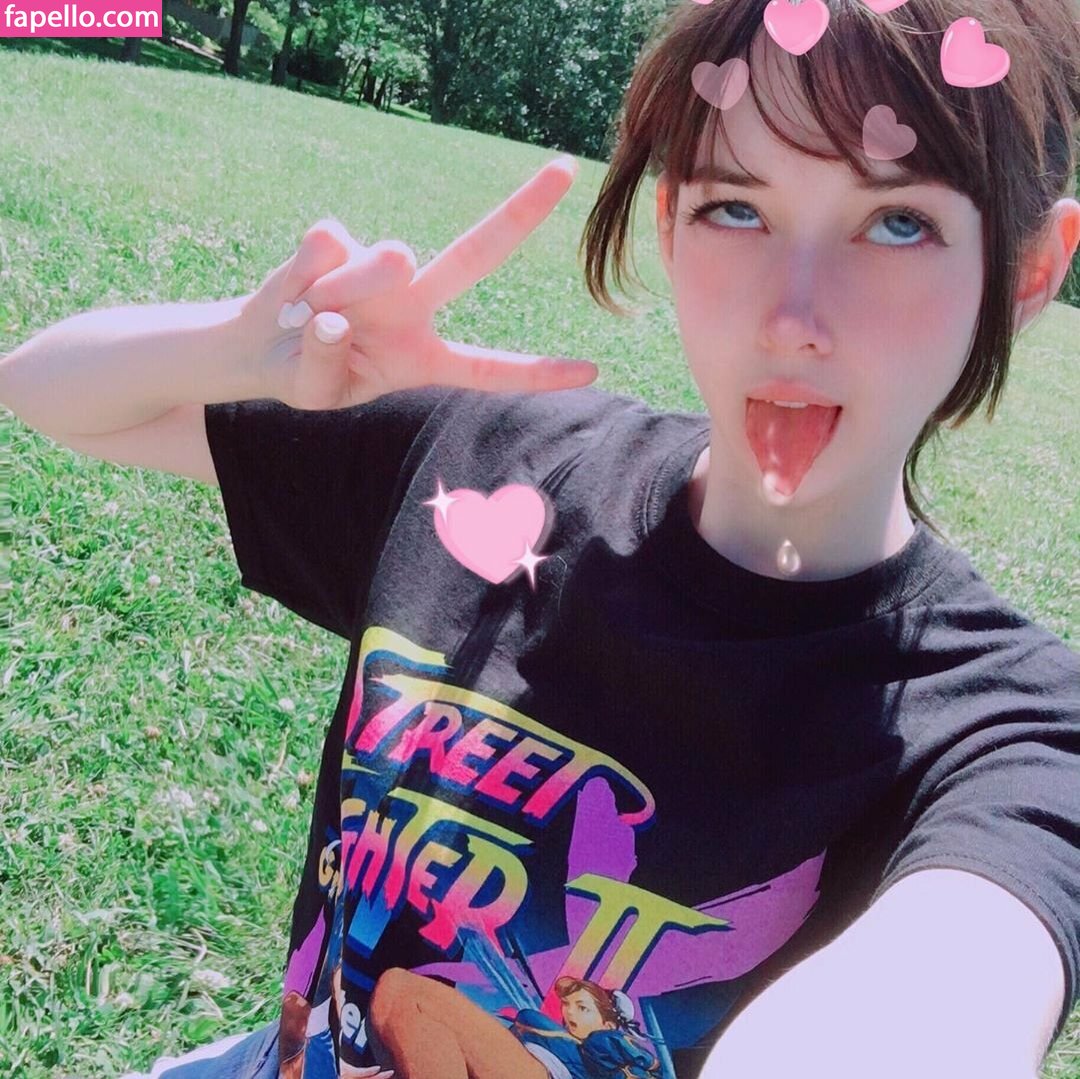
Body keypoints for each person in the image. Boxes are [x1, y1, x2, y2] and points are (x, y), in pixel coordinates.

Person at [3, 1, 1080, 1077]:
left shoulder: (1007, 726)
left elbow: (945, 986)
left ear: (1028, 270)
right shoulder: (487, 461)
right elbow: (47, 389)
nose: (792, 318)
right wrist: (250, 349)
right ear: (671, 223)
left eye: (898, 223)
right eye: (736, 208)